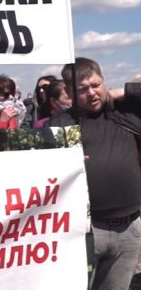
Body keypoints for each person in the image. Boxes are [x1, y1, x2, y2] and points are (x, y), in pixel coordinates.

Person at [49, 57, 141, 290]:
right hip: (85, 230)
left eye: (96, 85)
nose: (92, 93)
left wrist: (128, 91)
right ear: (69, 92)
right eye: (82, 89)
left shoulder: (126, 112)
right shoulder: (63, 123)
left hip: (129, 228)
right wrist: (64, 164)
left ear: (104, 80)